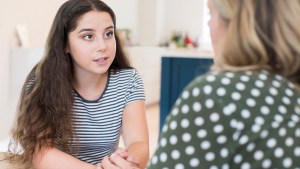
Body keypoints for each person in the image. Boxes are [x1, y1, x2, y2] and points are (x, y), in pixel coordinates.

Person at [148, 0, 300, 168]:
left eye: (210, 14)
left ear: (237, 24)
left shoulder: (216, 96)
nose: (209, 24)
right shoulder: (290, 90)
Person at [7, 0, 149, 168]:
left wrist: (125, 164)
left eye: (108, 34)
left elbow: (138, 142)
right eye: (88, 36)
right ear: (65, 44)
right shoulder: (41, 80)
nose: (103, 46)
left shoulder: (128, 80)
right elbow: (40, 152)